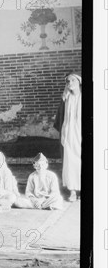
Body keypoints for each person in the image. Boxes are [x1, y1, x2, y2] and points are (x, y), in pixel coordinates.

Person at [54, 72, 82, 202]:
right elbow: (60, 118)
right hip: (69, 134)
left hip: (81, 133)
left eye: (72, 81)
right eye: (67, 81)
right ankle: (72, 191)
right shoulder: (66, 98)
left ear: (79, 82)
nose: (70, 83)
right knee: (70, 161)